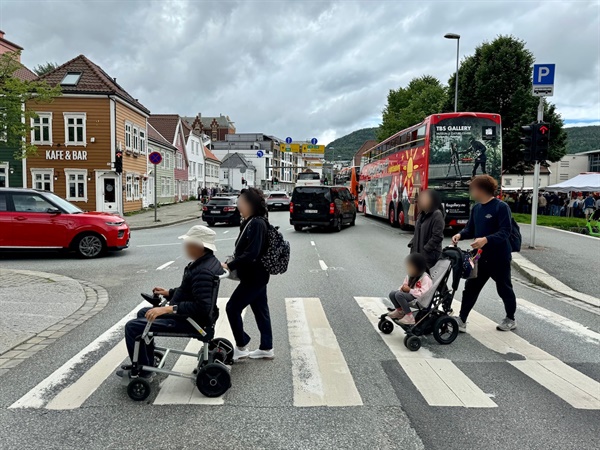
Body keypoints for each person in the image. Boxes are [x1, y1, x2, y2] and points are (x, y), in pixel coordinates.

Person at [117, 226, 223, 379]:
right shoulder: (207, 262)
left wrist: (167, 310)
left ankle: (143, 371)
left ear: (199, 246)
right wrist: (170, 293)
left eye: (187, 243)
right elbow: (192, 290)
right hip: (191, 317)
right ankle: (147, 359)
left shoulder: (202, 271)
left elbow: (201, 306)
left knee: (133, 327)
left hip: (191, 321)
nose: (185, 246)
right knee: (143, 314)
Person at [451, 175, 517, 332]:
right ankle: (462, 319)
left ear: (481, 189)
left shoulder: (500, 207)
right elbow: (470, 229)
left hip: (499, 257)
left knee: (504, 288)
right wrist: (460, 235)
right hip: (479, 257)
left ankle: (510, 318)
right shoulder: (477, 208)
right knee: (471, 287)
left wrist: (486, 240)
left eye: (473, 188)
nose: (471, 191)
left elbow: (505, 231)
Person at [223, 187, 274, 360]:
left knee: (232, 308)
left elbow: (252, 253)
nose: (238, 204)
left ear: (249, 204)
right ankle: (266, 348)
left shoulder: (257, 223)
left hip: (255, 277)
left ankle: (242, 345)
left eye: (240, 201)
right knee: (261, 311)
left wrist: (230, 265)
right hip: (256, 276)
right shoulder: (250, 221)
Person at [388, 253, 433, 325]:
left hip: (420, 299)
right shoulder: (410, 275)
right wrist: (402, 288)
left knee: (399, 295)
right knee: (393, 294)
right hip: (411, 295)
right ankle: (400, 311)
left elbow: (423, 294)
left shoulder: (425, 278)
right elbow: (404, 284)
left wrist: (410, 290)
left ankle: (409, 317)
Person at [408, 189, 445, 269]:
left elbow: (438, 236)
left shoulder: (437, 214)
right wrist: (412, 246)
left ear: (432, 200)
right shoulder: (422, 214)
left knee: (428, 280)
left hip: (429, 258)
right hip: (418, 256)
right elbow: (417, 232)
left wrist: (426, 249)